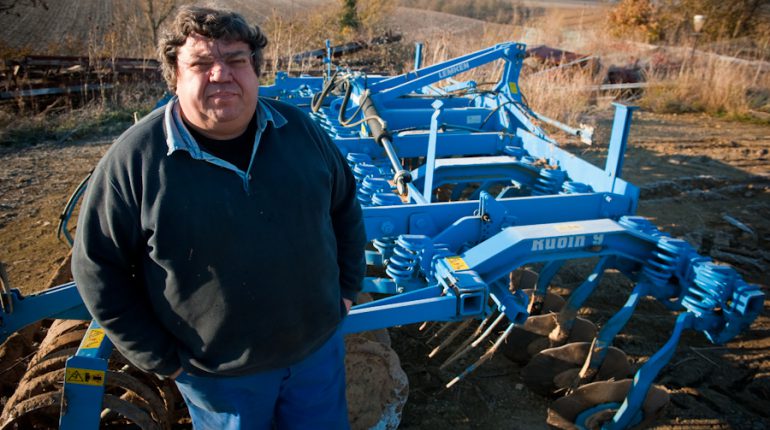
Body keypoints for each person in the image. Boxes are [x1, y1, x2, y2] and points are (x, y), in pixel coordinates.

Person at [71, 5, 366, 429]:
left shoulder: (300, 132)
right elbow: (98, 269)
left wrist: (347, 290)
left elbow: (345, 207)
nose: (220, 74)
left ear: (255, 70)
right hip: (220, 381)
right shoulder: (135, 161)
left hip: (316, 358)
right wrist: (163, 360)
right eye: (202, 63)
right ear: (175, 75)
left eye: (235, 60)